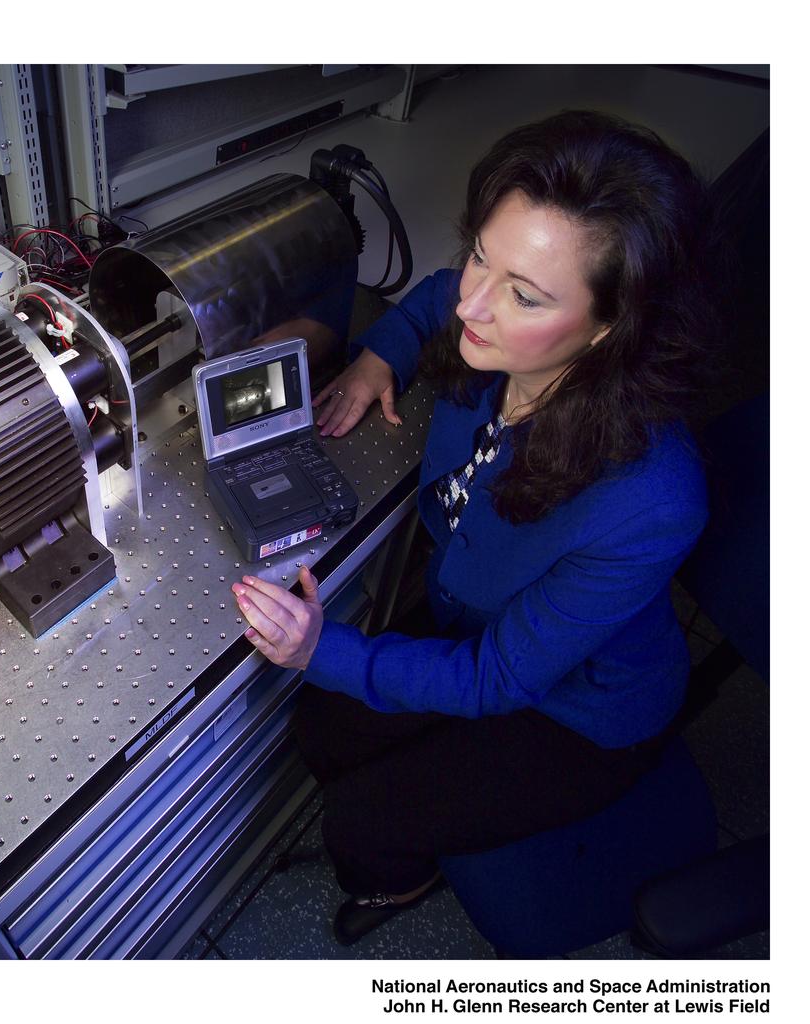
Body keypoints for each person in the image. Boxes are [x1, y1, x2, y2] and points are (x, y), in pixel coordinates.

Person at [230, 110, 717, 946]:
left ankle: (398, 882)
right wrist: (380, 355)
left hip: (577, 708)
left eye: (523, 295)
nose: (473, 305)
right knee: (320, 725)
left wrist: (321, 649)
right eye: (482, 257)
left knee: (365, 822)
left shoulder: (650, 498)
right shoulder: (486, 328)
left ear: (609, 329)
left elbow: (496, 678)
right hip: (477, 621)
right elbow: (429, 302)